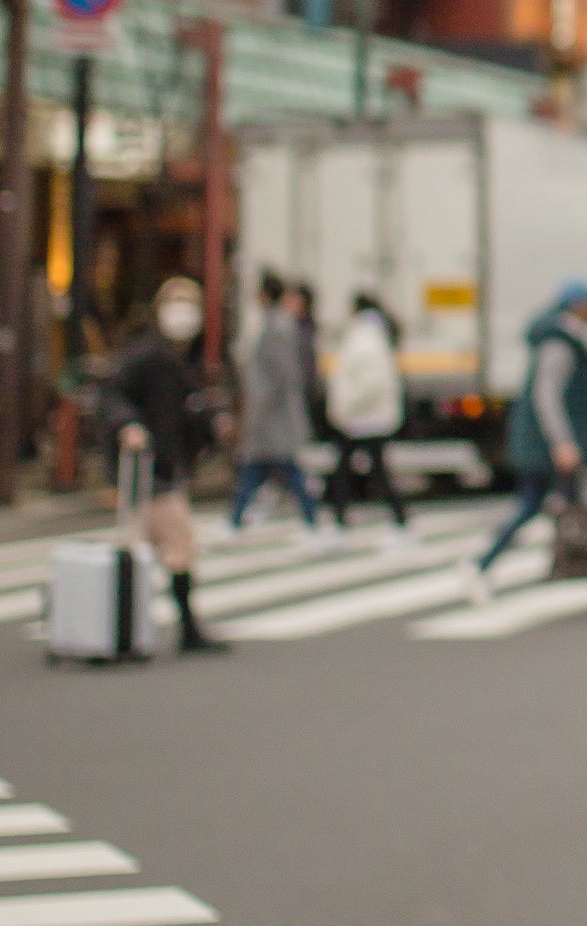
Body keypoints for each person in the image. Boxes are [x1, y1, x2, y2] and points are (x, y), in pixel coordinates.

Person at [101, 276, 229, 657]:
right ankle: (176, 629)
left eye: (190, 304)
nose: (183, 313)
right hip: (148, 468)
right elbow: (112, 393)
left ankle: (137, 629)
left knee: (157, 548)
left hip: (164, 465)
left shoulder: (185, 359)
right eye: (176, 303)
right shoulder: (146, 355)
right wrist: (128, 425)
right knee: (174, 546)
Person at [471, 281, 587, 598]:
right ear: (579, 305)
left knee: (557, 505)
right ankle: (482, 563)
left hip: (545, 444)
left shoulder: (565, 337)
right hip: (547, 445)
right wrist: (562, 442)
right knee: (540, 506)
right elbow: (547, 395)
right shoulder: (559, 343)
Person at [230, 273, 321, 531]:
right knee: (269, 468)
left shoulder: (276, 326)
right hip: (274, 416)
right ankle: (236, 518)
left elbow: (280, 374)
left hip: (274, 416)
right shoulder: (277, 322)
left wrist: (258, 411)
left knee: (275, 467)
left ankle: (236, 519)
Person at [321, 295, 409, 529]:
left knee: (350, 470)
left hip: (363, 418)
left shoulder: (363, 338)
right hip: (369, 418)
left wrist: (346, 404)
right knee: (369, 470)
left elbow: (370, 381)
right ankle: (395, 517)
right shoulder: (373, 335)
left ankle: (341, 518)